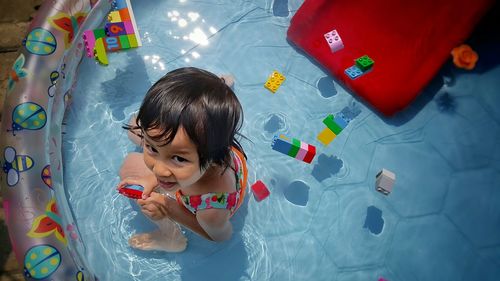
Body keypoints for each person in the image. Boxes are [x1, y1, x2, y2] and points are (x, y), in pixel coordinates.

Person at [117, 67, 247, 252]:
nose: (159, 170)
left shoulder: (211, 210)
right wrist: (149, 179)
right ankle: (214, 93)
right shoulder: (206, 147)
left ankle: (171, 238)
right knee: (134, 125)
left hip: (203, 197)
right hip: (196, 162)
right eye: (151, 147)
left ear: (212, 158)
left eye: (178, 158)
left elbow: (221, 236)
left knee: (130, 165)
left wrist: (167, 208)